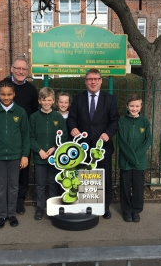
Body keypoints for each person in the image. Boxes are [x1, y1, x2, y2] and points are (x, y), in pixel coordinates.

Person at [66, 68, 120, 219]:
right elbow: (71, 118)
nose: (93, 81)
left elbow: (115, 121)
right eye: (90, 79)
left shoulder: (109, 99)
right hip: (83, 147)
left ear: (101, 80)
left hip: (102, 147)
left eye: (96, 78)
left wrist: (108, 133)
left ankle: (105, 207)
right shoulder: (78, 99)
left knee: (104, 177)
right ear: (86, 81)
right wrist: (73, 128)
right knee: (85, 176)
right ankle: (87, 205)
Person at [0, 57, 38, 215]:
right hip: (4, 141)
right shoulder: (3, 86)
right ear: (11, 68)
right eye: (18, 68)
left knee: (23, 170)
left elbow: (34, 113)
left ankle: (19, 201)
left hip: (23, 137)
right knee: (4, 175)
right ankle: (5, 203)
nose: (21, 71)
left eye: (24, 69)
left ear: (27, 71)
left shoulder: (32, 90)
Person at [0, 79, 30, 229]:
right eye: (3, 94)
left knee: (13, 186)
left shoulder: (20, 112)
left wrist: (25, 155)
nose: (6, 97)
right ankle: (2, 215)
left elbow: (25, 135)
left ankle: (11, 215)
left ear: (14, 94)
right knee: (0, 187)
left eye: (9, 94)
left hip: (15, 156)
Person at [29, 87, 68, 220]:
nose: (46, 103)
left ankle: (52, 208)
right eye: (44, 100)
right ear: (40, 101)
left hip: (54, 157)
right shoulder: (34, 117)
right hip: (39, 157)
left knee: (53, 182)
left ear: (53, 101)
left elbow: (63, 136)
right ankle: (40, 208)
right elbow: (30, 137)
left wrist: (54, 148)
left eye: (49, 100)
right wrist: (39, 150)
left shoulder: (58, 117)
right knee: (40, 183)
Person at [118, 93, 152, 223]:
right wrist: (132, 157)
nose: (134, 108)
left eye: (137, 106)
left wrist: (136, 158)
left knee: (138, 187)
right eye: (132, 106)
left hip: (139, 161)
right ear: (127, 106)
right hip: (126, 161)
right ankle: (126, 211)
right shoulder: (122, 122)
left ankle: (136, 210)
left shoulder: (145, 122)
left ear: (141, 107)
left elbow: (147, 141)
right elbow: (122, 142)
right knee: (125, 187)